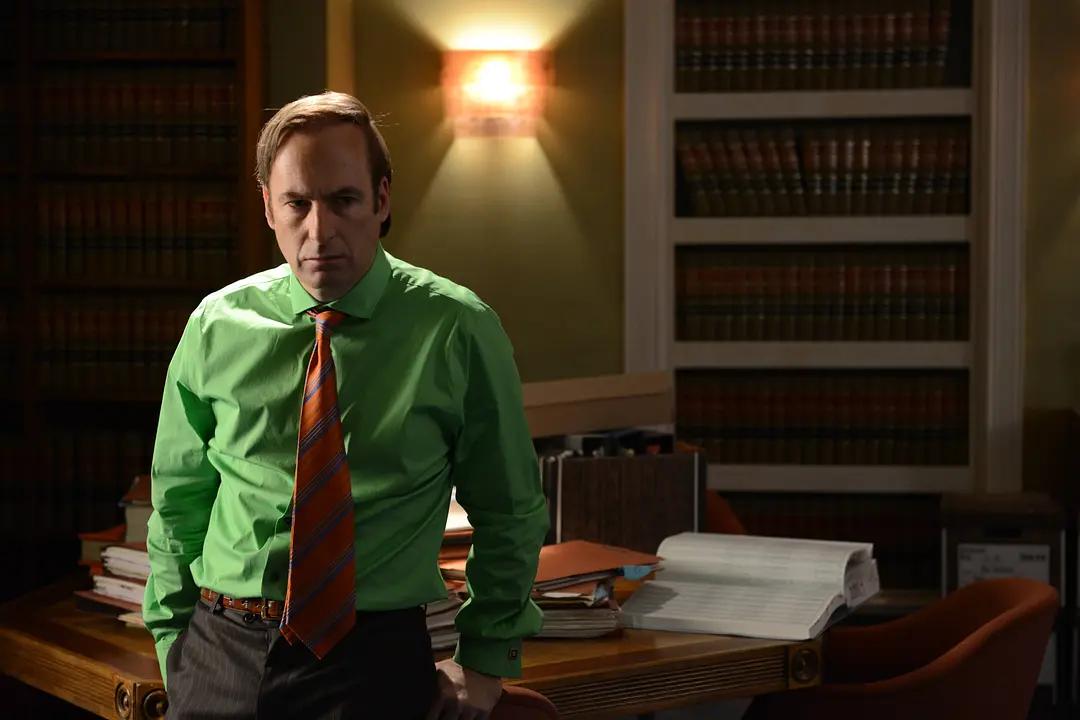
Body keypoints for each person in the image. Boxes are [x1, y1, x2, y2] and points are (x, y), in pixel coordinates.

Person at [142, 90, 549, 720]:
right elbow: (178, 500)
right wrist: (174, 642)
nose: (319, 231)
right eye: (297, 204)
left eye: (343, 201)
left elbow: (510, 508)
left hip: (373, 657)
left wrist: (485, 658)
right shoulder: (216, 326)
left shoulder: (456, 329)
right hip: (222, 649)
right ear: (269, 208)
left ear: (381, 201)